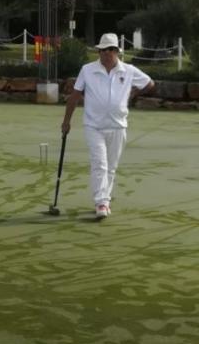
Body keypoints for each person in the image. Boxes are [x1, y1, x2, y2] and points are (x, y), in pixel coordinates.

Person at [60, 33, 153, 220]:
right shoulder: (87, 70)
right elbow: (75, 96)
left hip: (118, 126)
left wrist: (133, 93)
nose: (104, 53)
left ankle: (105, 200)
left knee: (111, 167)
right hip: (94, 126)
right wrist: (66, 121)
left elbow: (150, 83)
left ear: (116, 51)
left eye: (109, 49)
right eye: (101, 50)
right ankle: (101, 201)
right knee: (100, 164)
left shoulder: (128, 70)